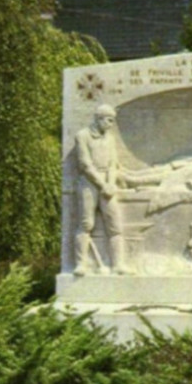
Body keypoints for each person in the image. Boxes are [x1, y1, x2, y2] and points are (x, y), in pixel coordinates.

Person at [72, 104, 130, 274]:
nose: (111, 124)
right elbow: (85, 164)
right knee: (86, 223)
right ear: (99, 118)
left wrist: (110, 184)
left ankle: (118, 264)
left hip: (107, 182)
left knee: (115, 226)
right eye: (109, 120)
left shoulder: (110, 137)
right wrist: (103, 185)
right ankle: (81, 264)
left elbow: (113, 163)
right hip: (89, 183)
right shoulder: (82, 136)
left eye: (113, 121)